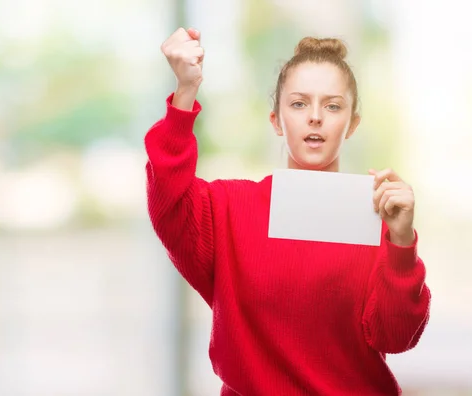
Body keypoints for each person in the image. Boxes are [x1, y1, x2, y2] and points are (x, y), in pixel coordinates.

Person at [144, 27, 431, 396]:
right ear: (276, 121)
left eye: (332, 105)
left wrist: (403, 241)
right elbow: (168, 199)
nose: (315, 117)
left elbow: (396, 336)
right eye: (298, 104)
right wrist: (185, 90)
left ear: (352, 124)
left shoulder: (379, 221)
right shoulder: (229, 209)